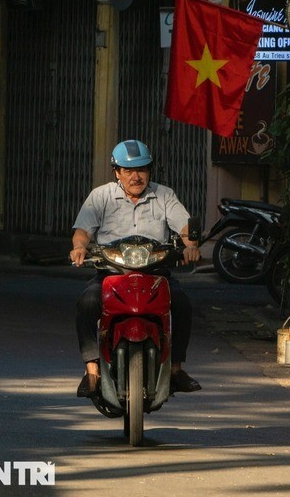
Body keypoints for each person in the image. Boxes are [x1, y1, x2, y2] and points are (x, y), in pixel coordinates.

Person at [70, 138, 201, 399]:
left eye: (141, 169)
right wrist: (80, 247)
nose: (136, 176)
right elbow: (82, 231)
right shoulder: (101, 196)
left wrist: (190, 245)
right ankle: (92, 370)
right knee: (86, 302)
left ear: (150, 170)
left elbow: (186, 228)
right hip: (111, 274)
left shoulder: (164, 195)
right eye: (128, 171)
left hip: (155, 275)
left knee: (182, 303)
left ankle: (175, 369)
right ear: (117, 172)